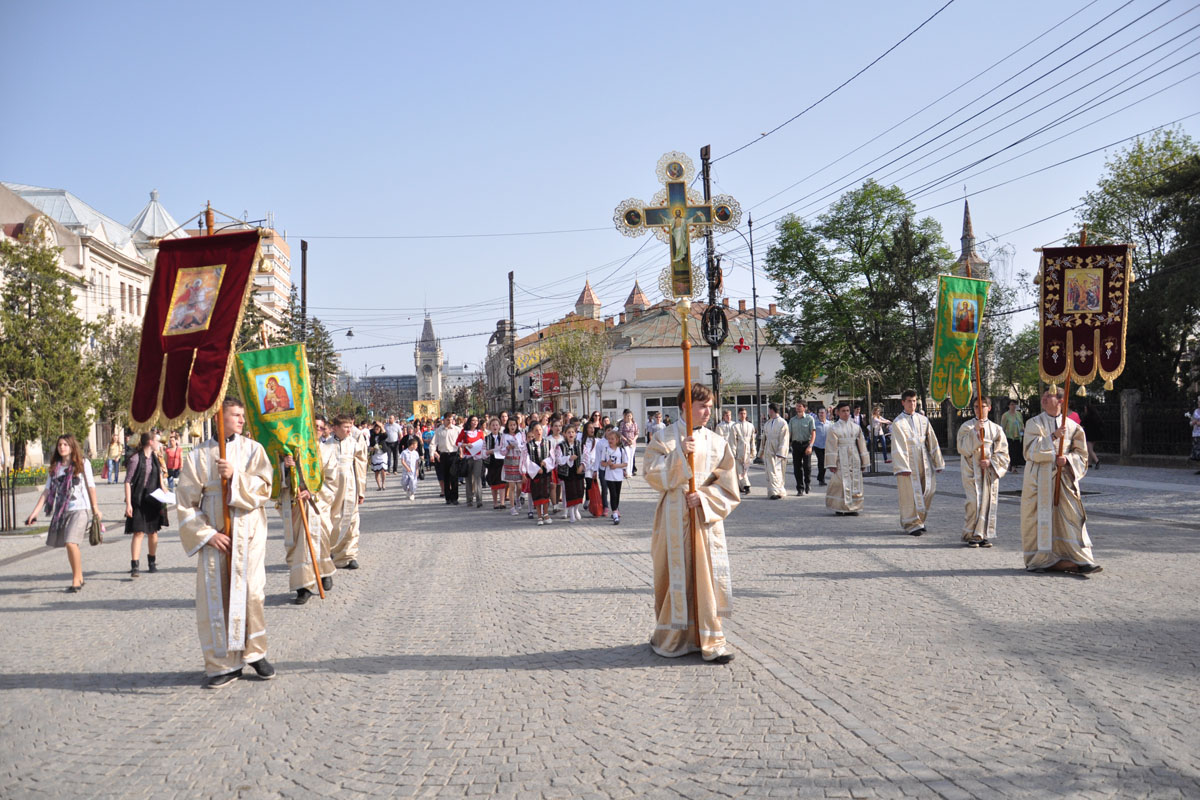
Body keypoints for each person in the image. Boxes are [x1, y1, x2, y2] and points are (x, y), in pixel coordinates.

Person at [175, 398, 275, 688]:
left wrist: (236, 478)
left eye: (242, 415)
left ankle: (255, 652)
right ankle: (223, 664)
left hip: (249, 531)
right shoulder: (199, 455)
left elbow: (265, 487)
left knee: (252, 592)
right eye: (236, 415)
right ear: (220, 417)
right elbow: (185, 502)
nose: (242, 420)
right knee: (216, 597)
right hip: (216, 535)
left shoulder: (253, 449)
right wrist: (207, 533)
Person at [644, 383, 740, 664]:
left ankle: (710, 639)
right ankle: (673, 638)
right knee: (675, 575)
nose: (708, 412)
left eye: (710, 406)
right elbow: (650, 474)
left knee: (706, 577)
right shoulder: (664, 438)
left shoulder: (717, 442)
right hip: (673, 517)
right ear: (686, 406)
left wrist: (706, 497)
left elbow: (729, 485)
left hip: (704, 520)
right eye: (702, 406)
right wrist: (677, 456)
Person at [1021, 387, 1102, 574]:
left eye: (1049, 395)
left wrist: (1067, 461)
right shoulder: (1034, 423)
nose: (1044, 397)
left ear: (1061, 401)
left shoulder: (1074, 428)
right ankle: (1040, 560)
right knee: (1040, 520)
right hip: (1038, 482)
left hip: (1065, 480)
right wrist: (1054, 437)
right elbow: (1029, 451)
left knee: (1071, 517)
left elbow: (1082, 456)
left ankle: (1079, 558)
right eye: (1044, 394)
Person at [24, 434, 99, 592]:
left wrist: (95, 508)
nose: (62, 447)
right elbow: (47, 491)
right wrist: (34, 513)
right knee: (70, 545)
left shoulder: (83, 464)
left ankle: (75, 580)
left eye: (65, 444)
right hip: (62, 511)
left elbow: (91, 487)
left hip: (80, 509)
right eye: (60, 445)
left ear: (72, 446)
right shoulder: (55, 468)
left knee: (70, 542)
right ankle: (79, 576)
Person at [277, 435, 338, 605]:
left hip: (318, 503)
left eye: (319, 427)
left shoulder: (326, 451)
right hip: (296, 504)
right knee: (299, 545)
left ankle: (324, 571)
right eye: (314, 427)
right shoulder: (291, 450)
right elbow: (274, 478)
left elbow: (332, 481)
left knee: (321, 539)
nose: (316, 430)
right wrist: (284, 467)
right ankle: (303, 587)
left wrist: (313, 492)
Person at [956, 399, 1010, 547]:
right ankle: (970, 534)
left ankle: (982, 535)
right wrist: (974, 432)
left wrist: (991, 462)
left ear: (989, 408)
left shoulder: (996, 429)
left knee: (987, 502)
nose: (979, 410)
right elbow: (962, 448)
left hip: (988, 471)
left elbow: (1003, 453)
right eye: (976, 407)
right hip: (971, 471)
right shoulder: (966, 427)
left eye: (983, 406)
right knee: (973, 502)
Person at [890, 390, 944, 535]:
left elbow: (931, 440)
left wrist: (937, 462)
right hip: (908, 460)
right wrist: (902, 467)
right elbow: (898, 445)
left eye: (914, 401)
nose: (912, 404)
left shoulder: (923, 420)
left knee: (928, 489)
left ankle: (920, 519)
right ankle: (911, 523)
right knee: (910, 493)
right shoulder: (898, 422)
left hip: (923, 458)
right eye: (909, 401)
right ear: (903, 402)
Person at [124, 432, 169, 578]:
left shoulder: (155, 458)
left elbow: (159, 475)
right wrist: (128, 504)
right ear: (150, 442)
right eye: (157, 441)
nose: (159, 443)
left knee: (153, 532)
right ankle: (135, 566)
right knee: (138, 532)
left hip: (153, 499)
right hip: (139, 499)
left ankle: (152, 562)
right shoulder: (135, 459)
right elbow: (128, 481)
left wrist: (163, 487)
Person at [328, 414, 367, 570]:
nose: (349, 430)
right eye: (345, 427)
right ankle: (333, 551)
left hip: (350, 487)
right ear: (335, 428)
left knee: (352, 520)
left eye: (350, 427)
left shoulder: (353, 444)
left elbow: (360, 466)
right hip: (333, 489)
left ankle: (349, 555)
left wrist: (361, 490)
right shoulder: (326, 445)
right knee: (334, 519)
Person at [825, 402, 869, 515]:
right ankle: (840, 507)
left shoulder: (856, 427)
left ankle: (854, 507)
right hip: (841, 457)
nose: (846, 413)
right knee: (841, 482)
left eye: (848, 411)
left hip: (854, 457)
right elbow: (831, 446)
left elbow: (862, 445)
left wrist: (864, 462)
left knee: (855, 481)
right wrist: (832, 464)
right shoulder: (834, 428)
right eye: (843, 411)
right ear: (838, 412)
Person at [595, 427, 632, 524]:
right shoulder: (606, 450)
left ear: (617, 440)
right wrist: (607, 463)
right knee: (613, 493)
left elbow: (625, 463)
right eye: (609, 439)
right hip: (609, 475)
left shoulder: (621, 451)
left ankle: (615, 509)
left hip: (618, 475)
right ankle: (615, 512)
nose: (610, 441)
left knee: (617, 493)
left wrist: (616, 466)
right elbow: (602, 463)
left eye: (613, 439)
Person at [526, 422, 554, 525]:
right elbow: (527, 460)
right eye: (536, 430)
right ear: (533, 432)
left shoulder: (548, 443)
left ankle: (546, 514)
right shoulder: (529, 445)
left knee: (545, 493)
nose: (538, 432)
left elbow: (552, 457)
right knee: (537, 493)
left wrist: (545, 463)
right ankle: (539, 516)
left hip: (545, 473)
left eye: (540, 430)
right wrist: (536, 468)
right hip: (536, 473)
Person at [557, 424, 586, 522]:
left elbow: (586, 456)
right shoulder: (561, 446)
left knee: (580, 491)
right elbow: (559, 459)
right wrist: (568, 458)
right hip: (567, 472)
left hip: (578, 471)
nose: (571, 434)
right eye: (568, 432)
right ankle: (571, 512)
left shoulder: (580, 444)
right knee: (570, 492)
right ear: (564, 434)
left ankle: (576, 509)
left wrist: (582, 465)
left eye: (573, 432)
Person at [431, 412, 462, 505]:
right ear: (444, 420)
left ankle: (455, 498)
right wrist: (433, 454)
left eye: (451, 419)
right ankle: (448, 498)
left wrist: (461, 452)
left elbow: (461, 442)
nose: (450, 421)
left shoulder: (457, 430)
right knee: (446, 477)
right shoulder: (439, 430)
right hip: (443, 455)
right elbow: (433, 444)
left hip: (454, 454)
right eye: (448, 419)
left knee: (454, 477)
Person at [762, 403, 790, 499]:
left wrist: (781, 452)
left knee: (778, 470)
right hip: (769, 448)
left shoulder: (782, 423)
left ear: (772, 410)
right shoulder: (768, 423)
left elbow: (785, 438)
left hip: (778, 448)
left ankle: (779, 490)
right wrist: (761, 451)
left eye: (769, 410)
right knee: (770, 470)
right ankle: (773, 491)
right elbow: (764, 438)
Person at [457, 415, 486, 508]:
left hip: (478, 458)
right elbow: (457, 443)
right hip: (468, 457)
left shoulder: (480, 432)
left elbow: (483, 443)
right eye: (473, 420)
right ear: (469, 422)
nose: (475, 422)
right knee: (468, 479)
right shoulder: (464, 432)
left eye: (476, 420)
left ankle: (479, 500)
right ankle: (469, 499)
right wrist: (466, 444)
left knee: (477, 478)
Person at [788, 401, 816, 496]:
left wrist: (810, 446)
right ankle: (800, 488)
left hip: (806, 444)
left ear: (804, 408)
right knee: (797, 468)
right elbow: (789, 434)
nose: (798, 408)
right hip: (796, 445)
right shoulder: (792, 420)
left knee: (807, 467)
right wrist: (788, 444)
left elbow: (813, 433)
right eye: (797, 406)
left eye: (800, 406)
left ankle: (807, 483)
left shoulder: (809, 419)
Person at [730, 407, 756, 494]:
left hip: (747, 451)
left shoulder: (750, 425)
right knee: (739, 469)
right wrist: (733, 453)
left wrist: (753, 450)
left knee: (745, 469)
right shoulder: (735, 426)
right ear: (738, 414)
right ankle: (747, 485)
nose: (743, 415)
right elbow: (733, 441)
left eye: (744, 413)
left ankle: (741, 486)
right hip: (739, 451)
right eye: (741, 413)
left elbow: (752, 439)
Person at [483, 417, 507, 509]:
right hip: (492, 462)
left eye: (497, 425)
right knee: (494, 482)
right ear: (489, 427)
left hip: (501, 461)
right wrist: (488, 452)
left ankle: (502, 502)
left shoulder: (503, 437)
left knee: (502, 482)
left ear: (499, 426)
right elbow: (484, 451)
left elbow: (505, 448)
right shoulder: (487, 438)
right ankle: (495, 503)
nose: (495, 427)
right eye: (493, 425)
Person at [1000, 399, 1025, 471]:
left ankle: (1013, 465)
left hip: (1018, 435)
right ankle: (1013, 466)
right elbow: (1003, 426)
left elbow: (1021, 423)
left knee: (1017, 451)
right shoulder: (1005, 415)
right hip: (1009, 436)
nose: (1013, 406)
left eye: (1015, 404)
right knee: (1011, 451)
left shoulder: (1019, 414)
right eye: (1012, 404)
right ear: (1009, 406)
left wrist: (1023, 430)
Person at [1080, 400, 1103, 470]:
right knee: (1091, 448)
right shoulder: (1096, 416)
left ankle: (1097, 461)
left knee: (1089, 449)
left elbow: (1082, 425)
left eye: (1085, 408)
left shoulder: (1087, 417)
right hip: (1096, 434)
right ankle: (1089, 463)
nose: (1085, 410)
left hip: (1089, 435)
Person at [812, 407, 831, 486]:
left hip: (826, 446)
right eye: (820, 412)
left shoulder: (830, 424)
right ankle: (821, 479)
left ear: (826, 414)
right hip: (817, 445)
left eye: (823, 412)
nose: (821, 414)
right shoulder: (815, 424)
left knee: (825, 463)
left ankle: (820, 477)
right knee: (821, 461)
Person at [619, 409, 640, 476]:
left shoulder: (634, 423)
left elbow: (637, 433)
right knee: (627, 456)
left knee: (631, 457)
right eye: (627, 416)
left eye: (630, 416)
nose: (629, 417)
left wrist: (633, 440)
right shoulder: (623, 423)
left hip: (633, 442)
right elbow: (620, 433)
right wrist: (626, 440)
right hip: (625, 442)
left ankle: (630, 472)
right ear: (625, 416)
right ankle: (627, 472)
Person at [1190, 397, 1200, 473]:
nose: (1198, 403)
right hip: (1196, 433)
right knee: (1197, 452)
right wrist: (1192, 422)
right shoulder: (1196, 411)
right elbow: (1192, 421)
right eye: (1198, 402)